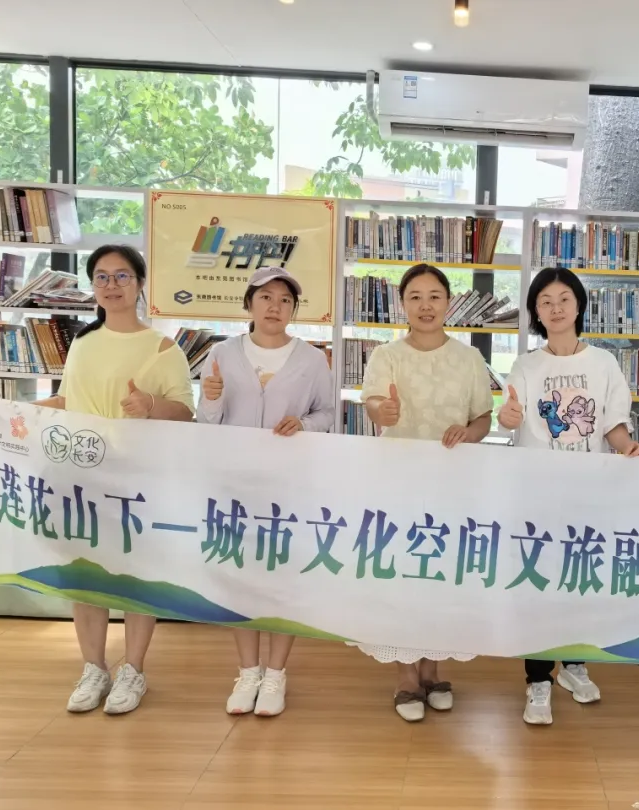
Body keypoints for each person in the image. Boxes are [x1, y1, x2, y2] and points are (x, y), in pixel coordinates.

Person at [34, 245, 195, 715]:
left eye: (122, 276)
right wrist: (0, 410)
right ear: (93, 287)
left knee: (136, 576)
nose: (112, 285)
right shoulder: (83, 344)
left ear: (140, 283)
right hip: (80, 474)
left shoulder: (162, 348)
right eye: (102, 277)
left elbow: (185, 412)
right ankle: (94, 668)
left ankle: (133, 670)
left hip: (138, 479)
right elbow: (68, 403)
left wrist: (150, 405)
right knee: (85, 574)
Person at [497, 267, 639, 726]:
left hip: (588, 495)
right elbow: (510, 419)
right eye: (545, 301)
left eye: (564, 298)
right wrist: (506, 417)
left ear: (579, 305)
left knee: (581, 579)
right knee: (539, 584)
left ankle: (575, 664)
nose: (555, 308)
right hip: (537, 495)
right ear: (536, 312)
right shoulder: (526, 365)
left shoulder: (604, 363)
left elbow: (613, 424)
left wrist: (627, 447)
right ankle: (538, 678)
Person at [355, 263, 495, 721]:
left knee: (442, 575)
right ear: (403, 304)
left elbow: (483, 417)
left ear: (449, 302)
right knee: (402, 576)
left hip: (453, 485)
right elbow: (375, 404)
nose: (426, 305)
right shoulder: (386, 356)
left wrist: (469, 433)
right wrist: (383, 411)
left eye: (435, 296)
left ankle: (433, 670)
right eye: (415, 296)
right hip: (398, 483)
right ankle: (406, 677)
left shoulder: (469, 359)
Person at [197, 266, 335, 718]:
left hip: (289, 485)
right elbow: (206, 423)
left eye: (285, 300)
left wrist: (305, 423)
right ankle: (248, 671)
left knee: (282, 578)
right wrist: (211, 396)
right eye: (266, 298)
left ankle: (276, 674)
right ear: (249, 304)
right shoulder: (222, 352)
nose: (275, 307)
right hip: (235, 485)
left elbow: (327, 413)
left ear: (294, 309)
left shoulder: (311, 359)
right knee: (241, 577)